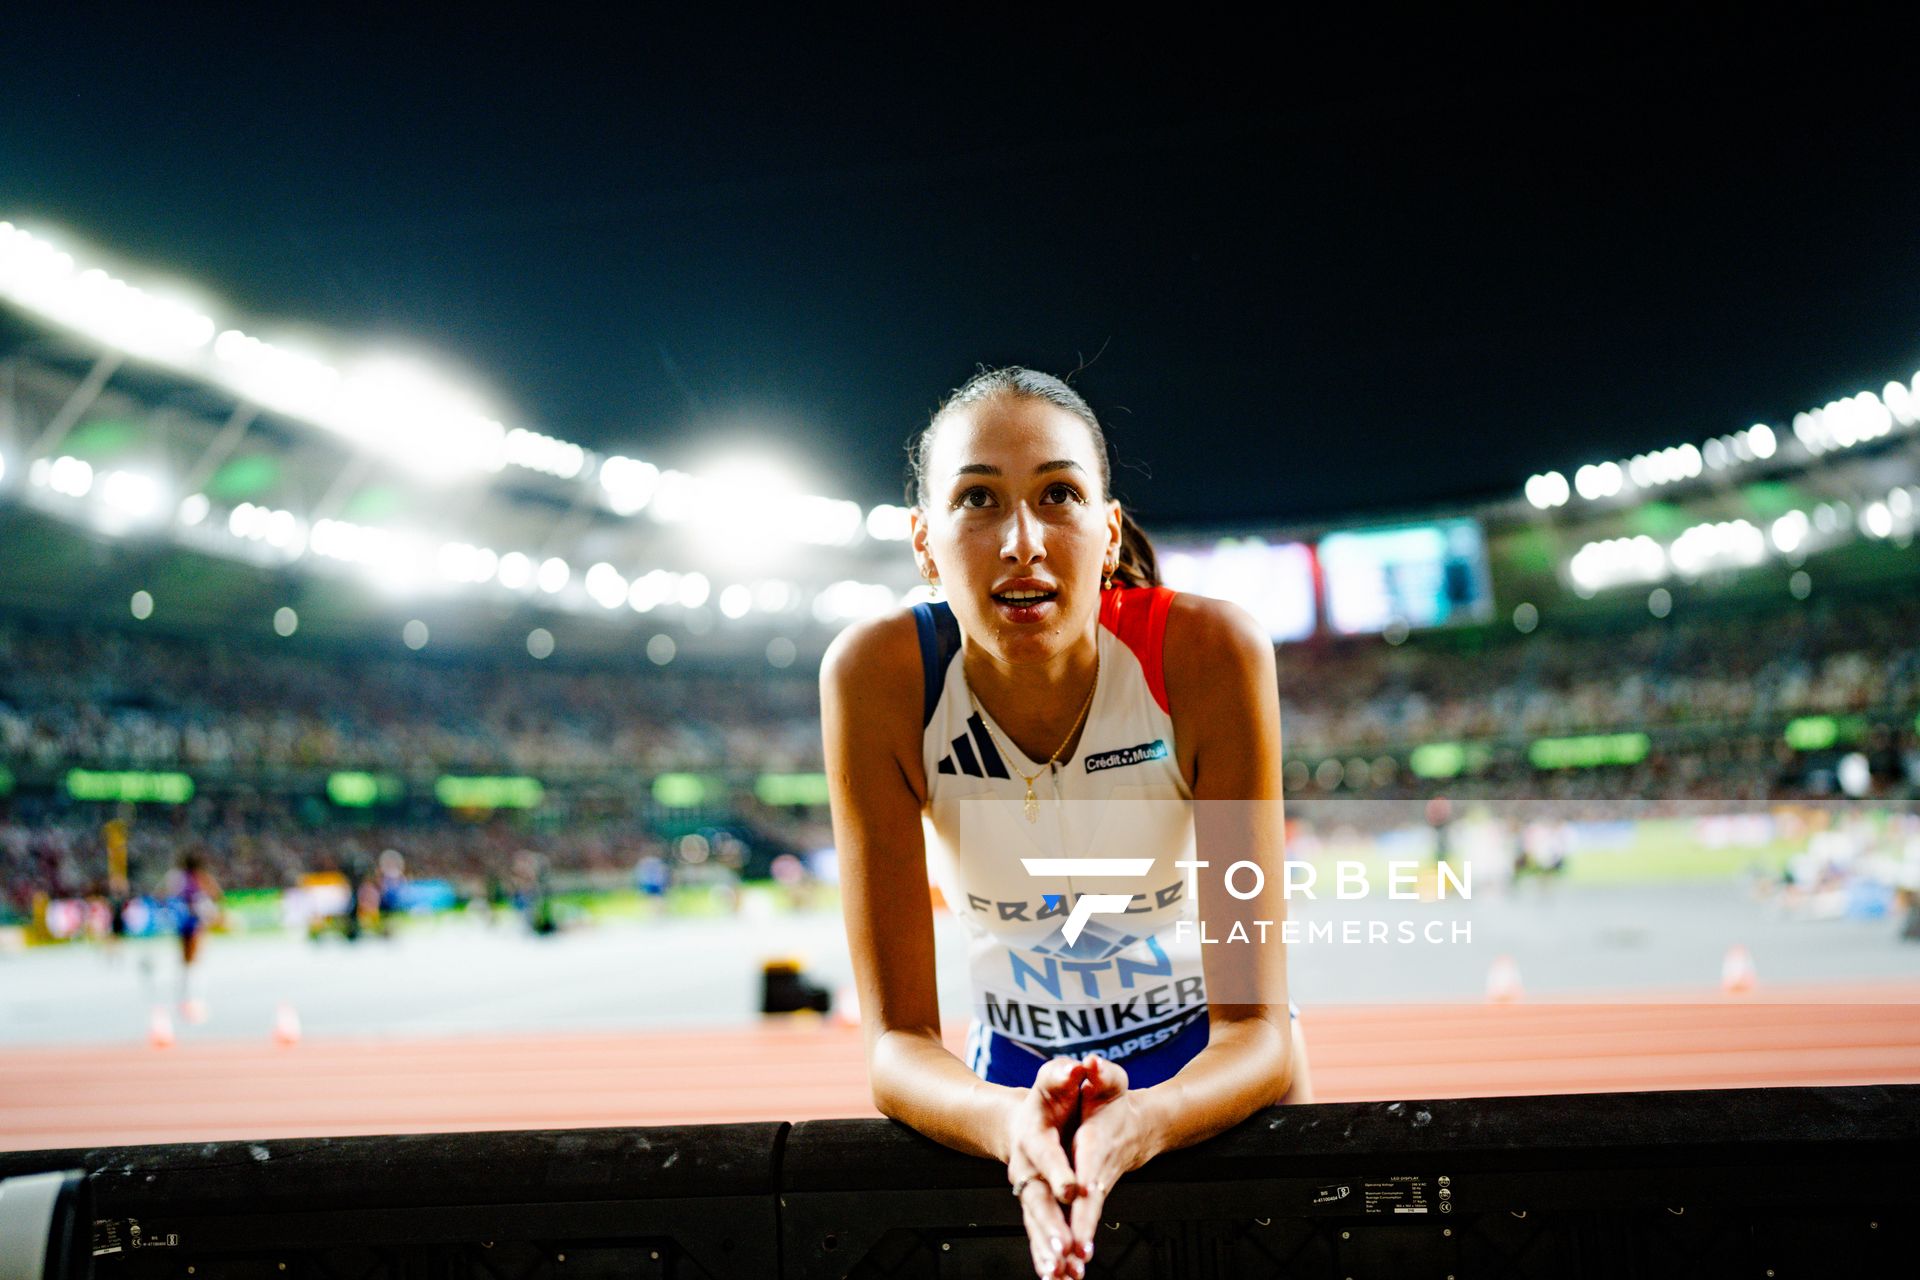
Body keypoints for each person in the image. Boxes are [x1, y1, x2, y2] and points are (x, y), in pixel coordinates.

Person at [820, 367, 1311, 1280]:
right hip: (1009, 1089)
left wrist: (1151, 1116)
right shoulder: (878, 679)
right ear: (925, 543)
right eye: (978, 499)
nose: (1022, 542)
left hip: (1217, 1082)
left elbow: (1261, 1030)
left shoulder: (1205, 655)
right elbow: (896, 1048)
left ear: (1108, 528)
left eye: (1059, 495)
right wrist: (1008, 1120)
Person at [160, 848, 223, 1022]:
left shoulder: (176, 876)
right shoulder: (200, 877)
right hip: (194, 919)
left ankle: (183, 996)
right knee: (195, 960)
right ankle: (193, 998)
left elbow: (164, 895)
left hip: (181, 919)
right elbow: (216, 894)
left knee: (185, 959)